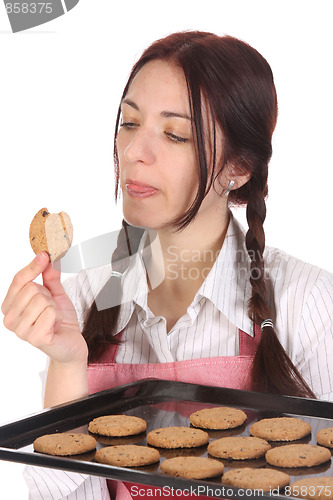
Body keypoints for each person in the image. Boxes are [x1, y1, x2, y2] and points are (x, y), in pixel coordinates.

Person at [2, 30, 333, 500]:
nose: (135, 153)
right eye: (129, 123)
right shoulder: (84, 300)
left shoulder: (307, 304)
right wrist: (67, 364)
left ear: (237, 167)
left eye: (175, 134)